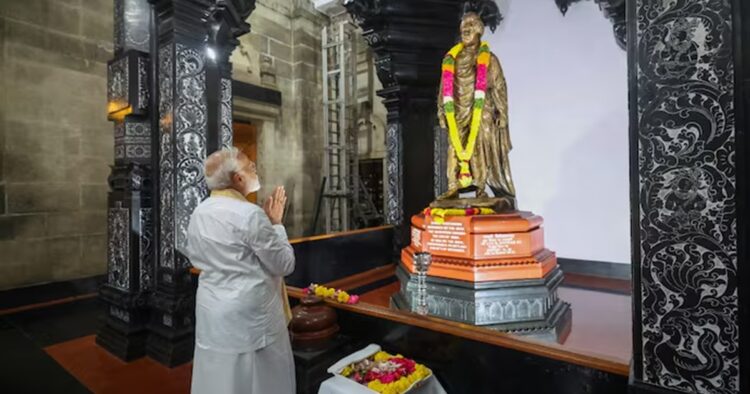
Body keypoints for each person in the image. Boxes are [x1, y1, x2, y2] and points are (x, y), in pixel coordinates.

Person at [185, 147, 295, 394]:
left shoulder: (200, 211)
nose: (254, 168)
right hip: (251, 318)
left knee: (218, 377)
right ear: (238, 179)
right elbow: (284, 264)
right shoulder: (250, 214)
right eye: (250, 166)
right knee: (258, 380)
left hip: (213, 310)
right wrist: (276, 224)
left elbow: (195, 255)